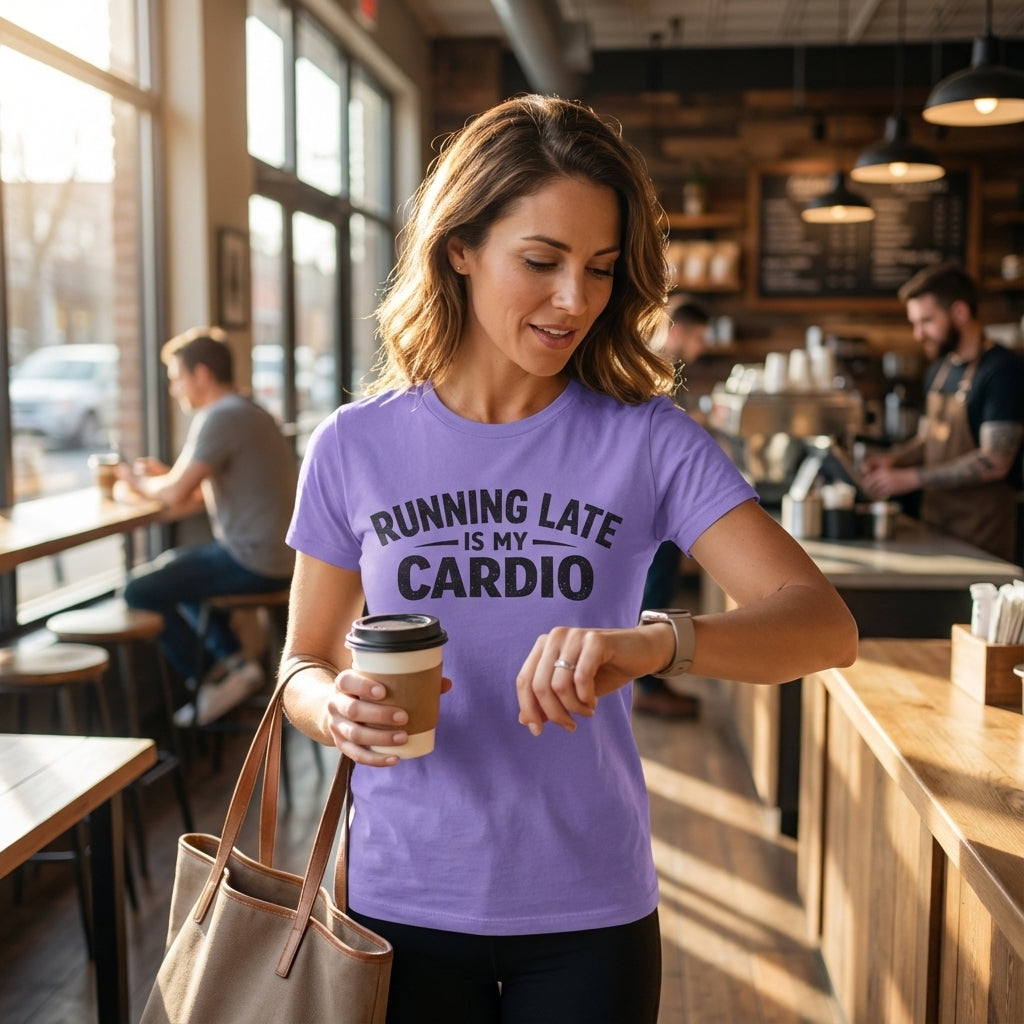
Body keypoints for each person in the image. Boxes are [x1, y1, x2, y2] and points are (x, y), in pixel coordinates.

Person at [279, 94, 857, 1024]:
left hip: (590, 908)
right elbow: (302, 660)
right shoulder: (354, 445)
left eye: (599, 269)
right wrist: (331, 709)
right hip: (396, 897)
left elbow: (824, 626)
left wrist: (653, 643)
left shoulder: (649, 440)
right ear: (459, 248)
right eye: (542, 262)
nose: (575, 301)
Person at [117, 326, 298, 726]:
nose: (174, 389)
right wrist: (166, 481)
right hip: (284, 558)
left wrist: (134, 481)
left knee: (138, 589)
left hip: (255, 560)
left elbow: (176, 494)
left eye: (176, 378)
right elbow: (196, 493)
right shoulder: (252, 412)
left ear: (201, 374)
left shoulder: (220, 416)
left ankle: (212, 678)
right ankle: (234, 665)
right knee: (177, 566)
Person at [861, 263, 1024, 563]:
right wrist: (894, 460)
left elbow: (995, 461)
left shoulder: (1001, 370)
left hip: (983, 533)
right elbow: (926, 440)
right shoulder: (940, 369)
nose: (918, 334)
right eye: (914, 323)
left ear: (960, 312)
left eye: (926, 321)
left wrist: (910, 478)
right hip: (936, 526)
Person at [634, 294, 711, 718]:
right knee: (656, 589)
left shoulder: (653, 365)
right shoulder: (654, 367)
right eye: (698, 337)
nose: (701, 346)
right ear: (678, 332)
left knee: (655, 587)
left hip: (655, 492)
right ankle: (648, 685)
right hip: (653, 496)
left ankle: (647, 678)